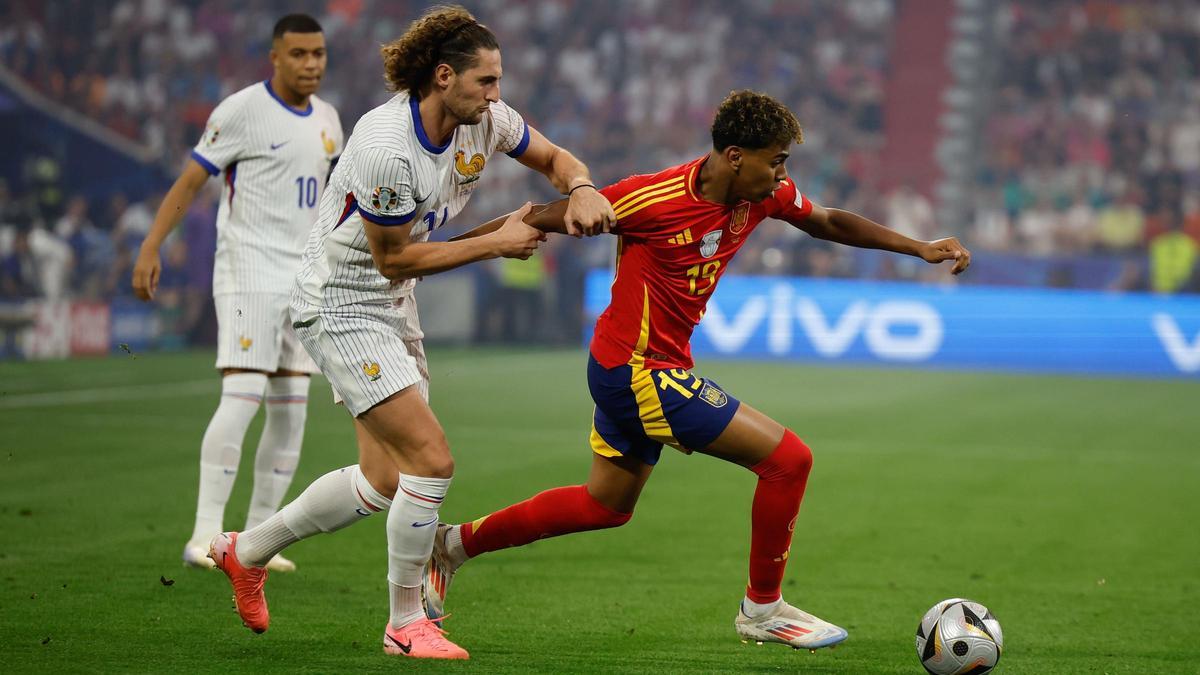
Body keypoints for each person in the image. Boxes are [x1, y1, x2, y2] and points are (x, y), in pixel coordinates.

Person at [422, 90, 972, 652]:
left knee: (604, 506)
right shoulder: (648, 198)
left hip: (642, 367)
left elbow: (828, 220)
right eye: (776, 160)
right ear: (735, 155)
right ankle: (763, 609)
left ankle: (451, 546)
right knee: (788, 461)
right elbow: (532, 220)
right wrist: (430, 258)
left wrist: (918, 248)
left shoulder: (764, 195)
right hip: (634, 371)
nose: (784, 174)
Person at [205, 5, 614, 661]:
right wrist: (497, 243)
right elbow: (393, 257)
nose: (496, 95)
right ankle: (405, 621)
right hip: (340, 301)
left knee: (383, 480)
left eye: (499, 81)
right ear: (444, 76)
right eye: (485, 82)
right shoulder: (386, 149)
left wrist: (584, 185)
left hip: (392, 299)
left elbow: (553, 157)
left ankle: (244, 551)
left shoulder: (488, 120)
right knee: (430, 459)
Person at [131, 14, 343, 573]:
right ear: (274, 57)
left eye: (318, 53)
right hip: (248, 269)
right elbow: (192, 180)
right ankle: (203, 534)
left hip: (304, 279)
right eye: (298, 54)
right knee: (244, 392)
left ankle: (255, 542)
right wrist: (152, 245)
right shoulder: (241, 110)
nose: (311, 64)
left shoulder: (329, 121)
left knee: (292, 411)